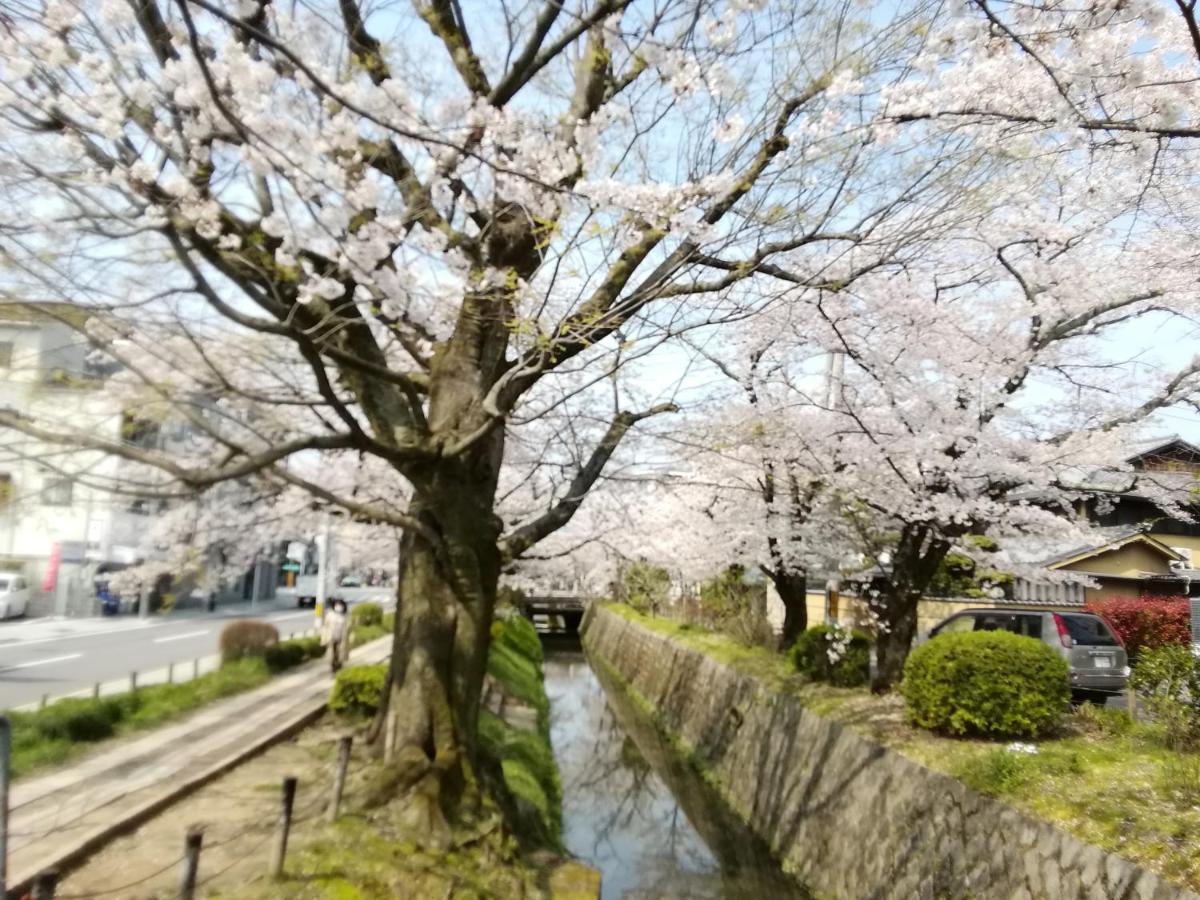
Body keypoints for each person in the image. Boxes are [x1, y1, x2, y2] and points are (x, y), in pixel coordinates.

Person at [320, 598, 351, 673]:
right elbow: (325, 627)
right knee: (332, 654)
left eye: (340, 605)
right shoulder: (330, 615)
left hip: (342, 638)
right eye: (337, 605)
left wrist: (351, 638)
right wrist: (324, 638)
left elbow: (350, 628)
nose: (339, 607)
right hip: (331, 638)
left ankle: (339, 667)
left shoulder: (346, 616)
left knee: (340, 654)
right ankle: (333, 668)